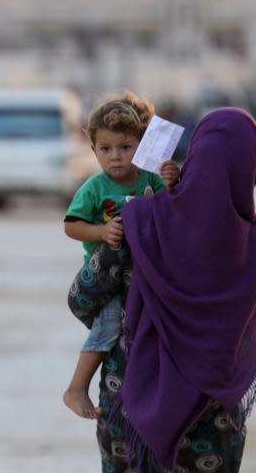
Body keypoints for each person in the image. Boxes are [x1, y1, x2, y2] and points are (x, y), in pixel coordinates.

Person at [68, 107, 256, 473]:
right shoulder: (251, 242)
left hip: (132, 410)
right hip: (216, 421)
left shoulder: (143, 219)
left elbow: (82, 297)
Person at [62, 93, 180, 419]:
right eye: (106, 149)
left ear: (140, 146)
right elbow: (71, 226)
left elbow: (172, 212)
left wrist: (173, 181)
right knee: (110, 324)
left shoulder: (150, 180)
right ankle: (75, 388)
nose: (115, 157)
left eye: (125, 148)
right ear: (94, 150)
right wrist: (100, 233)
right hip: (107, 280)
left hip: (145, 275)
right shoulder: (94, 188)